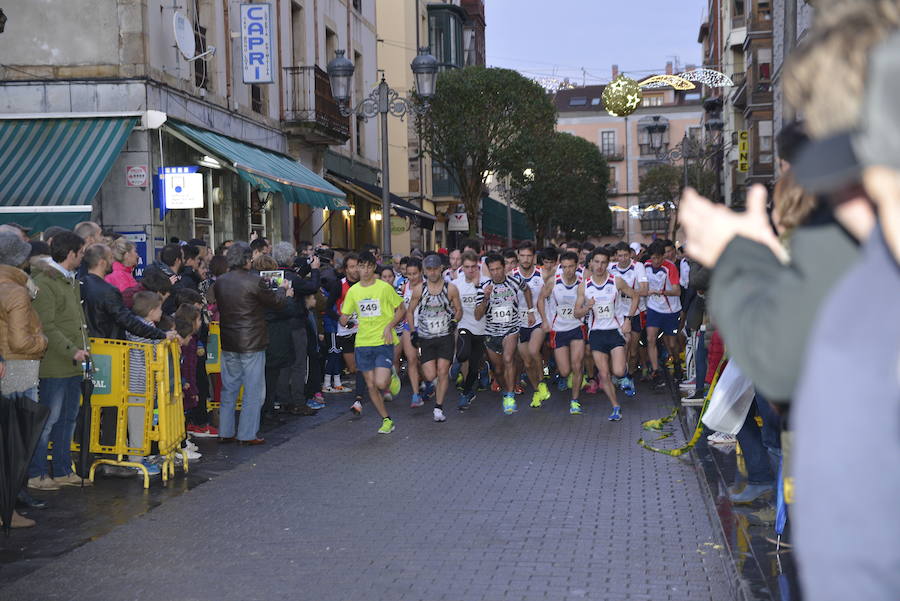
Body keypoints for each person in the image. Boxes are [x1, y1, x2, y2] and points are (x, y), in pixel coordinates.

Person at [28, 231, 90, 490]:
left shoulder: (68, 280)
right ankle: (37, 474)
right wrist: (72, 349)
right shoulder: (47, 282)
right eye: (81, 252)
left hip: (72, 363)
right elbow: (46, 325)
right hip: (54, 364)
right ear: (71, 253)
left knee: (68, 419)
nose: (84, 257)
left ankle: (63, 470)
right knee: (48, 421)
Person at [213, 242, 292, 445]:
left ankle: (225, 430)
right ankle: (247, 434)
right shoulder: (254, 281)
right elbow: (276, 303)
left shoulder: (220, 281)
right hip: (252, 340)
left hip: (229, 340)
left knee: (229, 388)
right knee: (253, 390)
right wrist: (284, 291)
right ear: (248, 260)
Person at [0, 231, 48, 525]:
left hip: (9, 368)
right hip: (18, 370)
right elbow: (20, 342)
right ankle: (9, 511)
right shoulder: (15, 291)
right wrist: (42, 341)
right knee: (16, 444)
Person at [339, 251, 405, 434]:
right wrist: (344, 319)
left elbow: (401, 309)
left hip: (383, 341)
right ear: (358, 268)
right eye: (362, 266)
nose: (365, 270)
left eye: (369, 266)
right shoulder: (353, 292)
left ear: (373, 267)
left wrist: (389, 325)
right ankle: (386, 420)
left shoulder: (384, 288)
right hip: (362, 343)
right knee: (370, 386)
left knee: (382, 383)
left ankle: (391, 374)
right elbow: (344, 315)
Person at [575, 248, 637, 421]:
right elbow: (576, 313)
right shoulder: (584, 286)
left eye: (604, 262)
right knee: (603, 374)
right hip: (596, 333)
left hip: (614, 331)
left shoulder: (616, 282)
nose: (600, 266)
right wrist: (587, 307)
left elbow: (635, 297)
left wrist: (628, 320)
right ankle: (615, 407)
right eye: (597, 262)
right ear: (591, 263)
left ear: (608, 263)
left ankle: (625, 375)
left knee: (617, 371)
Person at [475, 253, 533, 415]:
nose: (496, 273)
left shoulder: (514, 281)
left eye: (498, 269)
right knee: (498, 369)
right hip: (491, 333)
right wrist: (486, 299)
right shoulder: (484, 287)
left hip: (511, 329)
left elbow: (527, 290)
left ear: (504, 267)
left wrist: (530, 310)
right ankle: (505, 389)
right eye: (492, 270)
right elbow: (477, 315)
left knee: (508, 359)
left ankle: (510, 396)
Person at [80, 244, 174, 342]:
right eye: (111, 258)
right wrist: (161, 334)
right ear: (102, 263)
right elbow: (127, 321)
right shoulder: (109, 291)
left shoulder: (79, 285)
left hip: (87, 344)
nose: (113, 261)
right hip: (109, 347)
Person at [408, 254, 462, 422]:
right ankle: (434, 385)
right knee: (431, 375)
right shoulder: (419, 290)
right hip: (426, 337)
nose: (432, 272)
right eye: (429, 269)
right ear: (425, 271)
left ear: (441, 269)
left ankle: (438, 408)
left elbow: (459, 310)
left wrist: (454, 321)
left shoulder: (450, 288)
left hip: (445, 335)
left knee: (443, 370)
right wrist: (412, 331)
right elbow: (409, 311)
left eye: (435, 269)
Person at [538, 251, 586, 414]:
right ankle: (573, 376)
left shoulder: (582, 283)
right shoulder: (553, 282)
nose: (568, 270)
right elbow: (540, 299)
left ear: (577, 266)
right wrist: (545, 320)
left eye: (571, 266)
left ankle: (575, 400)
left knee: (577, 364)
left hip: (577, 327)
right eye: (564, 267)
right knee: (565, 371)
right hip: (559, 329)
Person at [511, 241, 551, 408]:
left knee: (534, 350)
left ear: (534, 257)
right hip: (520, 323)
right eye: (523, 256)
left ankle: (542, 383)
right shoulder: (511, 275)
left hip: (538, 320)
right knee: (527, 362)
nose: (526, 259)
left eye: (529, 256)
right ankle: (536, 391)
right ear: (518, 256)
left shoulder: (542, 274)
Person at [643, 240, 681, 387]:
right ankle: (656, 371)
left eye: (659, 257)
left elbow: (677, 291)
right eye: (653, 258)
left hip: (670, 309)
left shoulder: (670, 267)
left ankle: (677, 363)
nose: (656, 261)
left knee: (671, 344)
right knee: (650, 339)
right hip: (653, 308)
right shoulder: (645, 266)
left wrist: (661, 292)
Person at [452, 251, 487, 410]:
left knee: (474, 367)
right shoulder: (456, 284)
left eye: (474, 267)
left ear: (478, 266)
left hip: (482, 329)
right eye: (467, 267)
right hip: (464, 326)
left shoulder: (486, 283)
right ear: (462, 267)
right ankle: (456, 364)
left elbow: (481, 314)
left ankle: (467, 393)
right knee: (463, 354)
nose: (470, 270)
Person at [143, 244, 184, 314]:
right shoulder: (173, 284)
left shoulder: (152, 274)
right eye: (183, 257)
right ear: (177, 260)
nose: (184, 260)